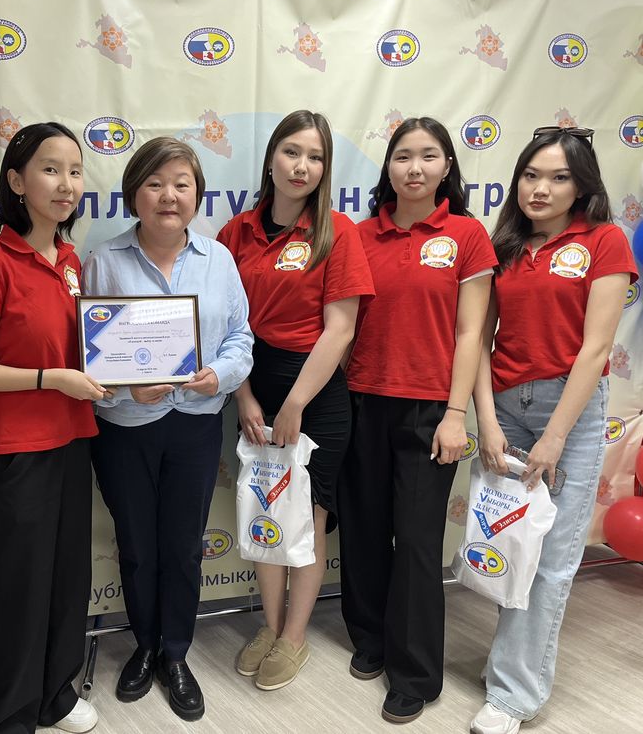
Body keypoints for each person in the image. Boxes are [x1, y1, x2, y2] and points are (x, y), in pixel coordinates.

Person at [469, 127, 636, 734]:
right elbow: (477, 339)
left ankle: (515, 694)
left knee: (551, 560)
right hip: (504, 407)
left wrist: (557, 435)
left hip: (570, 412)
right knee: (506, 544)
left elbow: (595, 350)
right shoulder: (506, 244)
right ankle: (507, 664)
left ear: (582, 185)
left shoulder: (604, 241)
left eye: (559, 177)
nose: (540, 188)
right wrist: (487, 421)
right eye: (531, 175)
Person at [82, 137, 253, 722]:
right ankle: (144, 645)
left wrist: (219, 375)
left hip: (196, 424)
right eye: (155, 184)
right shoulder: (103, 262)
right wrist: (125, 387)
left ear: (197, 195)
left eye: (181, 184)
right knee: (136, 544)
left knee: (182, 547)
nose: (168, 196)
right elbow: (86, 355)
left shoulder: (218, 260)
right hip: (126, 427)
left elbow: (241, 337)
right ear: (134, 194)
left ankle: (176, 652)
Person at [341, 117, 497, 724]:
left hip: (432, 410)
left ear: (447, 167)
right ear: (388, 167)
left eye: (428, 156)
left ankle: (415, 674)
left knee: (416, 542)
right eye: (403, 156)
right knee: (363, 529)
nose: (414, 168)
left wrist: (457, 414)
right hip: (362, 400)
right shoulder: (358, 235)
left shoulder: (466, 234)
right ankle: (370, 639)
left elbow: (471, 332)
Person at [0, 122, 105, 734]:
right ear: (16, 181)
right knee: (16, 590)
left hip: (72, 441)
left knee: (67, 580)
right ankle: (5, 718)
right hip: (16, 452)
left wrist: (131, 375)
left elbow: (86, 353)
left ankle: (54, 696)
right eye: (50, 169)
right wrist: (51, 379)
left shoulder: (69, 261)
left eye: (75, 171)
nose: (66, 184)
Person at [216, 110, 374, 691]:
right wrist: (245, 397)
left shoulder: (337, 232)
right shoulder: (236, 233)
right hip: (253, 383)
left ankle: (295, 636)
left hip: (316, 393)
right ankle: (270, 624)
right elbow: (226, 327)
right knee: (265, 508)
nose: (301, 166)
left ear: (326, 168)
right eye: (291, 152)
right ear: (271, 159)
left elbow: (340, 329)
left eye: (315, 157)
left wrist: (294, 404)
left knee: (307, 516)